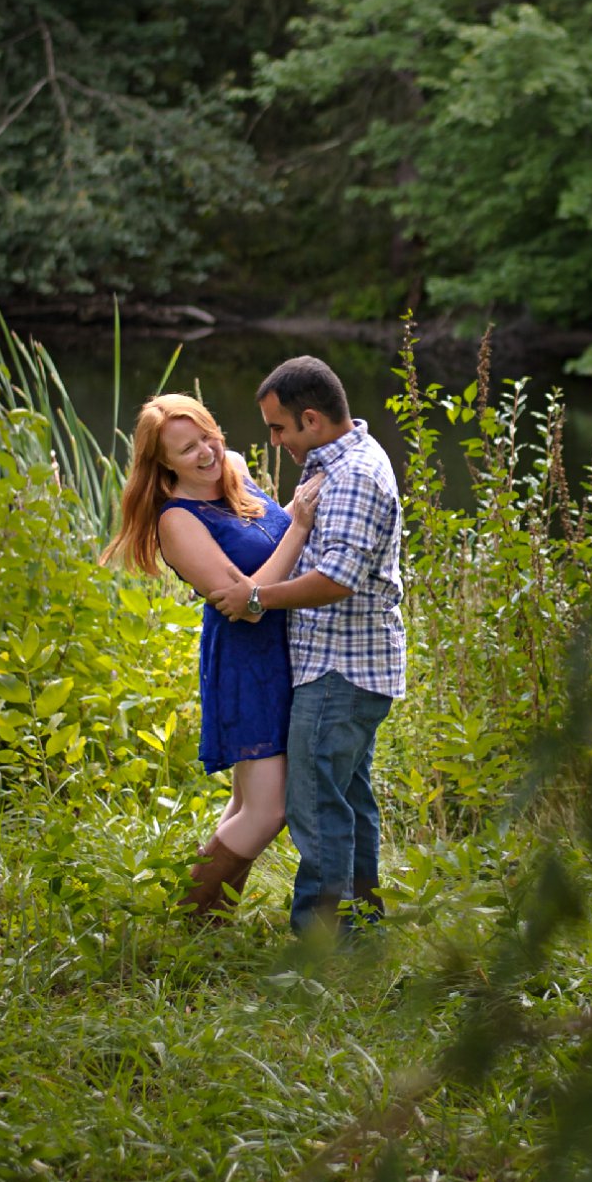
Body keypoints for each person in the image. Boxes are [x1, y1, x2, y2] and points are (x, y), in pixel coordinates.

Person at [101, 393, 321, 918]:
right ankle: (183, 920)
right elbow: (247, 604)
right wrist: (303, 525)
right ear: (163, 465)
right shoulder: (177, 522)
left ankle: (209, 925)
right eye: (187, 449)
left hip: (287, 651)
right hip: (247, 661)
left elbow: (266, 542)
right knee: (269, 810)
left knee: (248, 805)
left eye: (207, 435)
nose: (206, 452)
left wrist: (300, 505)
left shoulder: (236, 470)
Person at [225, 356, 406, 937]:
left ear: (311, 419)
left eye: (279, 430)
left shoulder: (352, 476)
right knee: (347, 802)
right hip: (341, 669)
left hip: (341, 671)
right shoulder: (335, 462)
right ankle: (359, 931)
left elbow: (336, 579)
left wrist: (258, 598)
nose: (275, 443)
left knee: (317, 808)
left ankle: (321, 950)